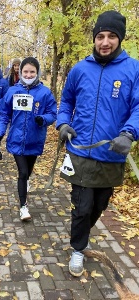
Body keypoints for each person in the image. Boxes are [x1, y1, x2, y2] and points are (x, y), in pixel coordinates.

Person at [56, 10, 139, 277]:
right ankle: (78, 248)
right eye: (100, 36)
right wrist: (62, 123)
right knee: (81, 206)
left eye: (111, 36)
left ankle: (82, 235)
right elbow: (66, 101)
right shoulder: (80, 69)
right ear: (94, 38)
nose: (105, 42)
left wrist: (129, 133)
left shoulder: (133, 69)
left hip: (112, 153)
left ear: (120, 39)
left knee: (99, 205)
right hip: (79, 151)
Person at [0, 57, 57, 220]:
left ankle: (25, 182)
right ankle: (23, 207)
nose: (28, 75)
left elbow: (52, 113)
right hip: (16, 140)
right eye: (25, 71)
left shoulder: (45, 93)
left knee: (28, 172)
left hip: (34, 140)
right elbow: (3, 114)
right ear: (20, 72)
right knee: (22, 172)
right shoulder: (12, 91)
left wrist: (43, 119)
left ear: (37, 73)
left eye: (32, 72)